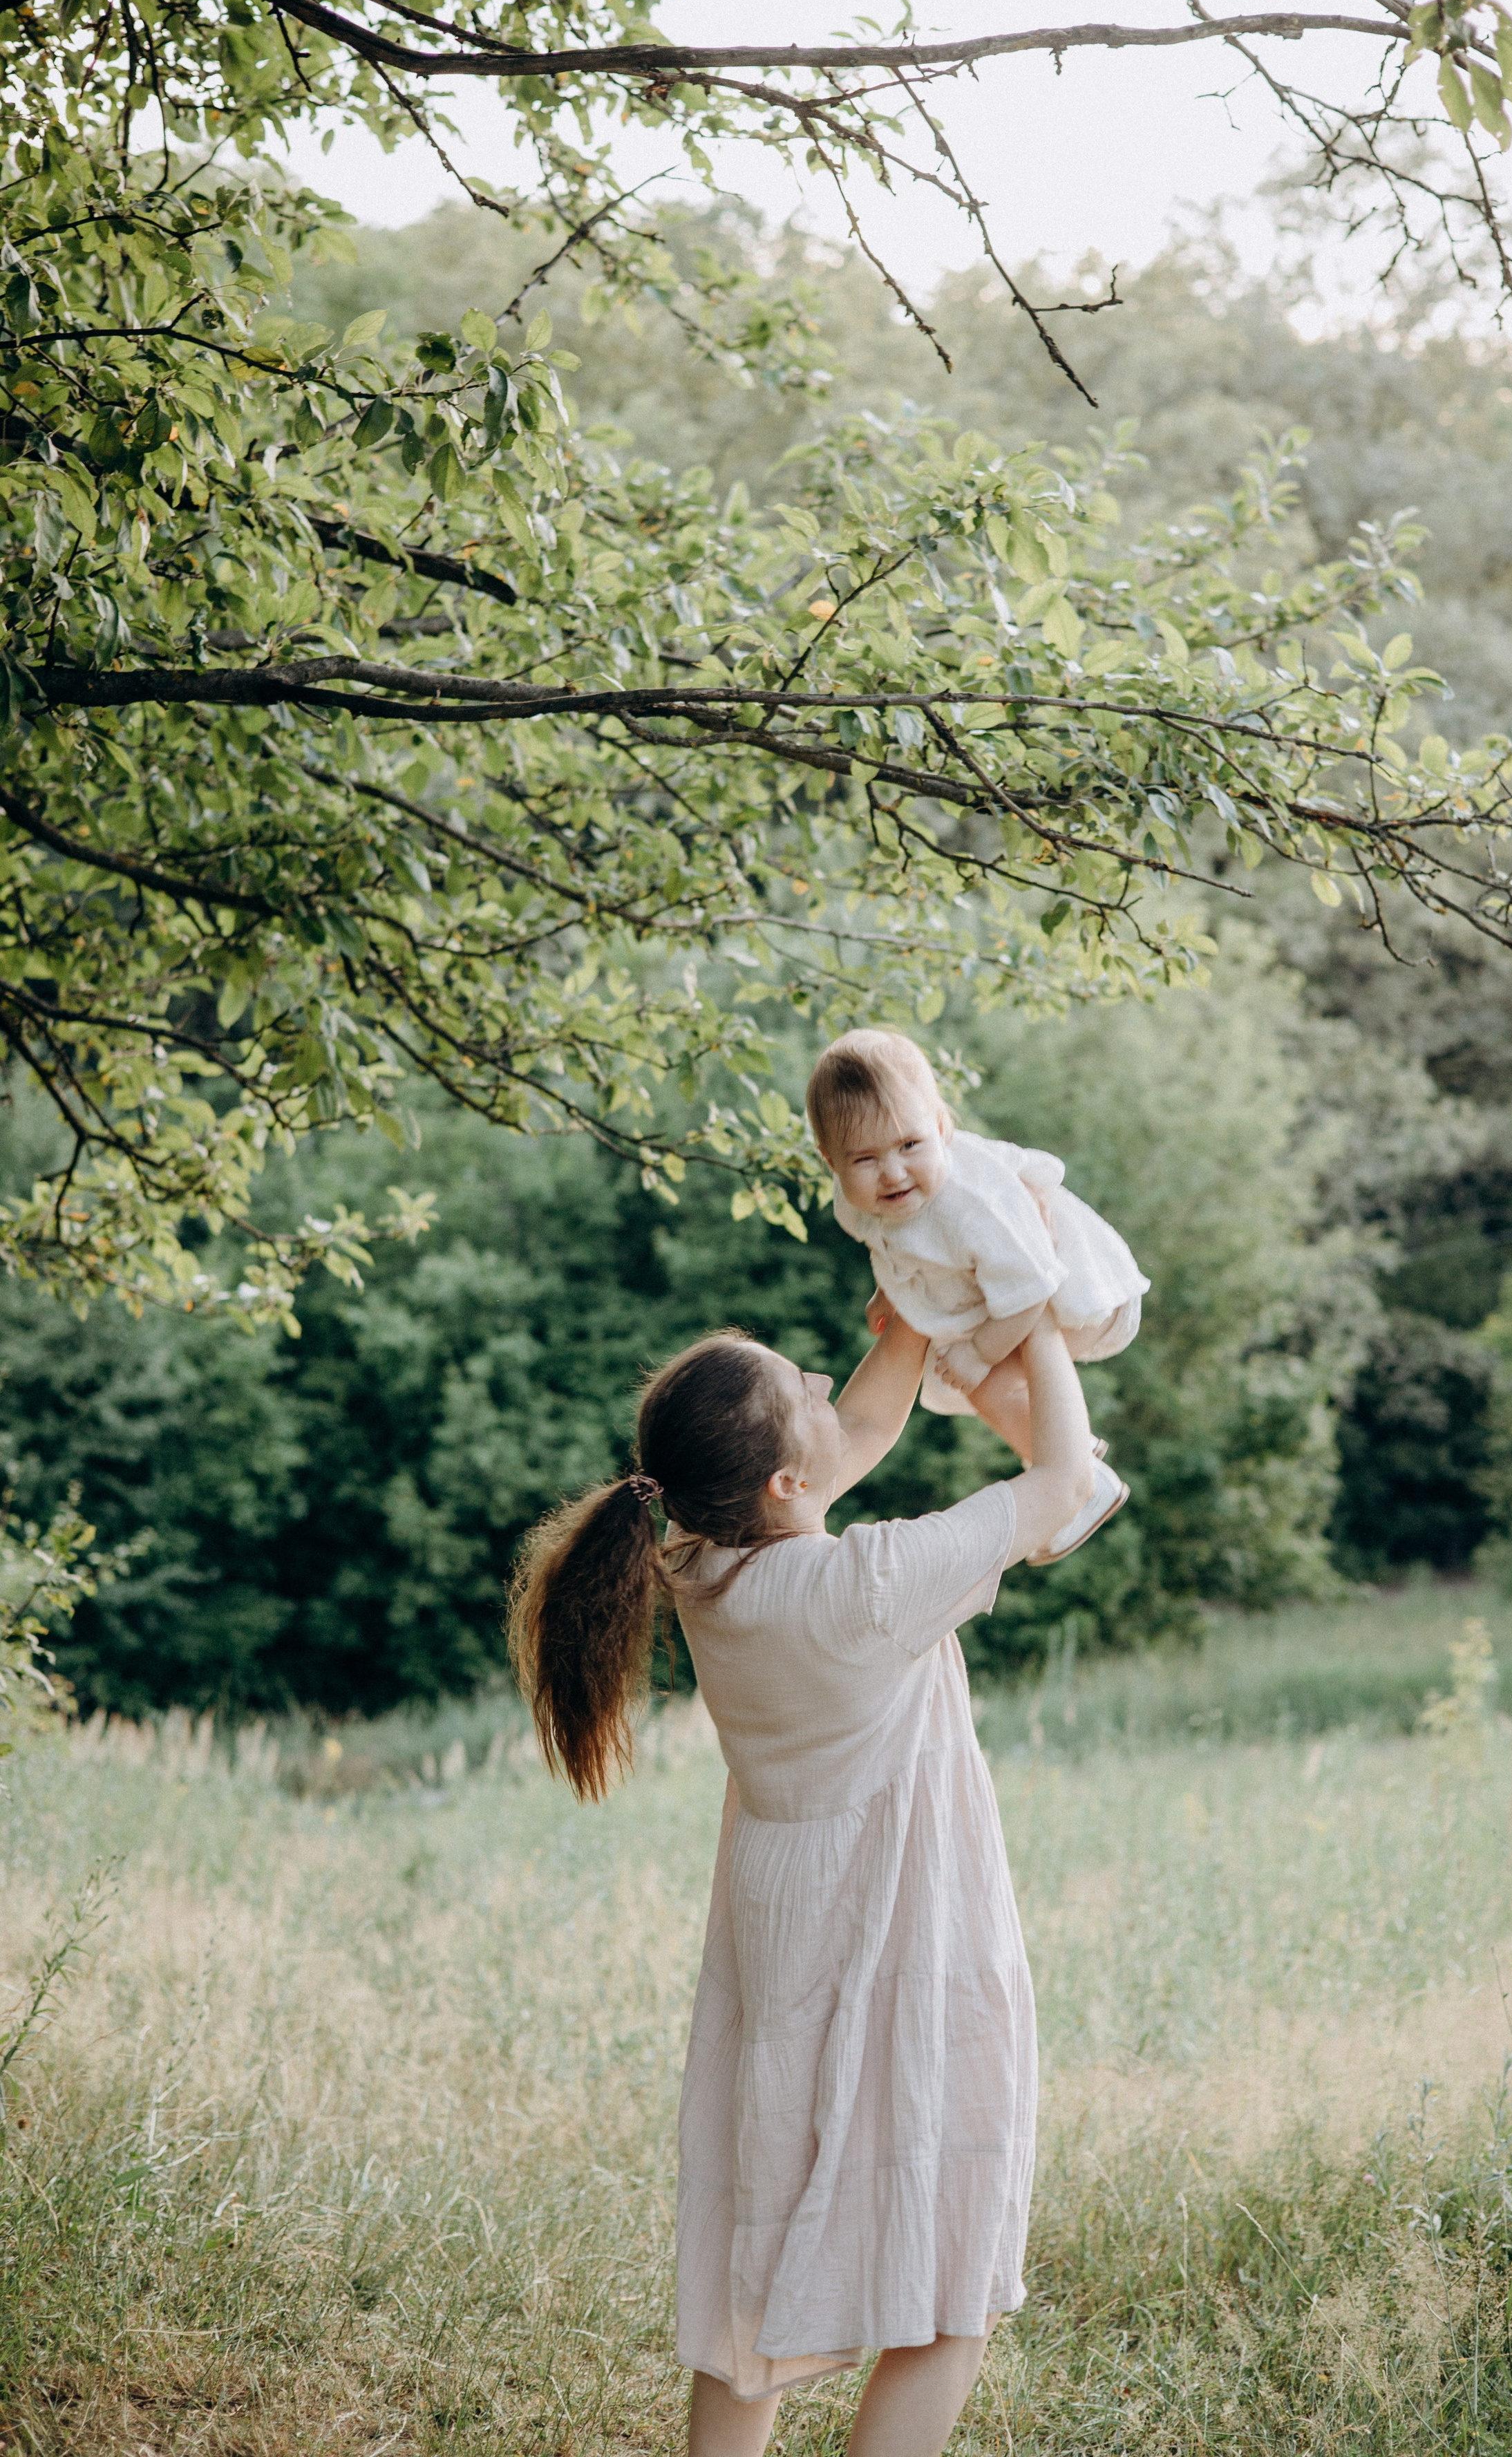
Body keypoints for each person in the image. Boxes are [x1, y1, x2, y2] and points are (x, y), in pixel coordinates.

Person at [507, 1303, 1097, 2457]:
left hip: (787, 1946)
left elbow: (855, 1430)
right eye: (808, 1389)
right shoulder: (867, 1587)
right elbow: (1065, 1480)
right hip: (901, 1935)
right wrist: (1036, 1316)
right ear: (782, 1482)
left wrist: (922, 1310)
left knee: (754, 2281)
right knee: (946, 2287)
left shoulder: (702, 1566)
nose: (834, 1381)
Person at [806, 1026, 1148, 1562]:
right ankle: (1068, 1455)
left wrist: (978, 1350)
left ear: (942, 1128)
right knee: (976, 1374)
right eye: (865, 1159)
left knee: (979, 1375)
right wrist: (889, 1292)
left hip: (1074, 1286)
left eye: (910, 1145)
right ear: (832, 1161)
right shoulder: (860, 1202)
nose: (893, 1172)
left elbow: (1036, 1287)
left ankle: (1079, 1476)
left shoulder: (971, 1203)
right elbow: (893, 1241)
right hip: (1001, 1287)